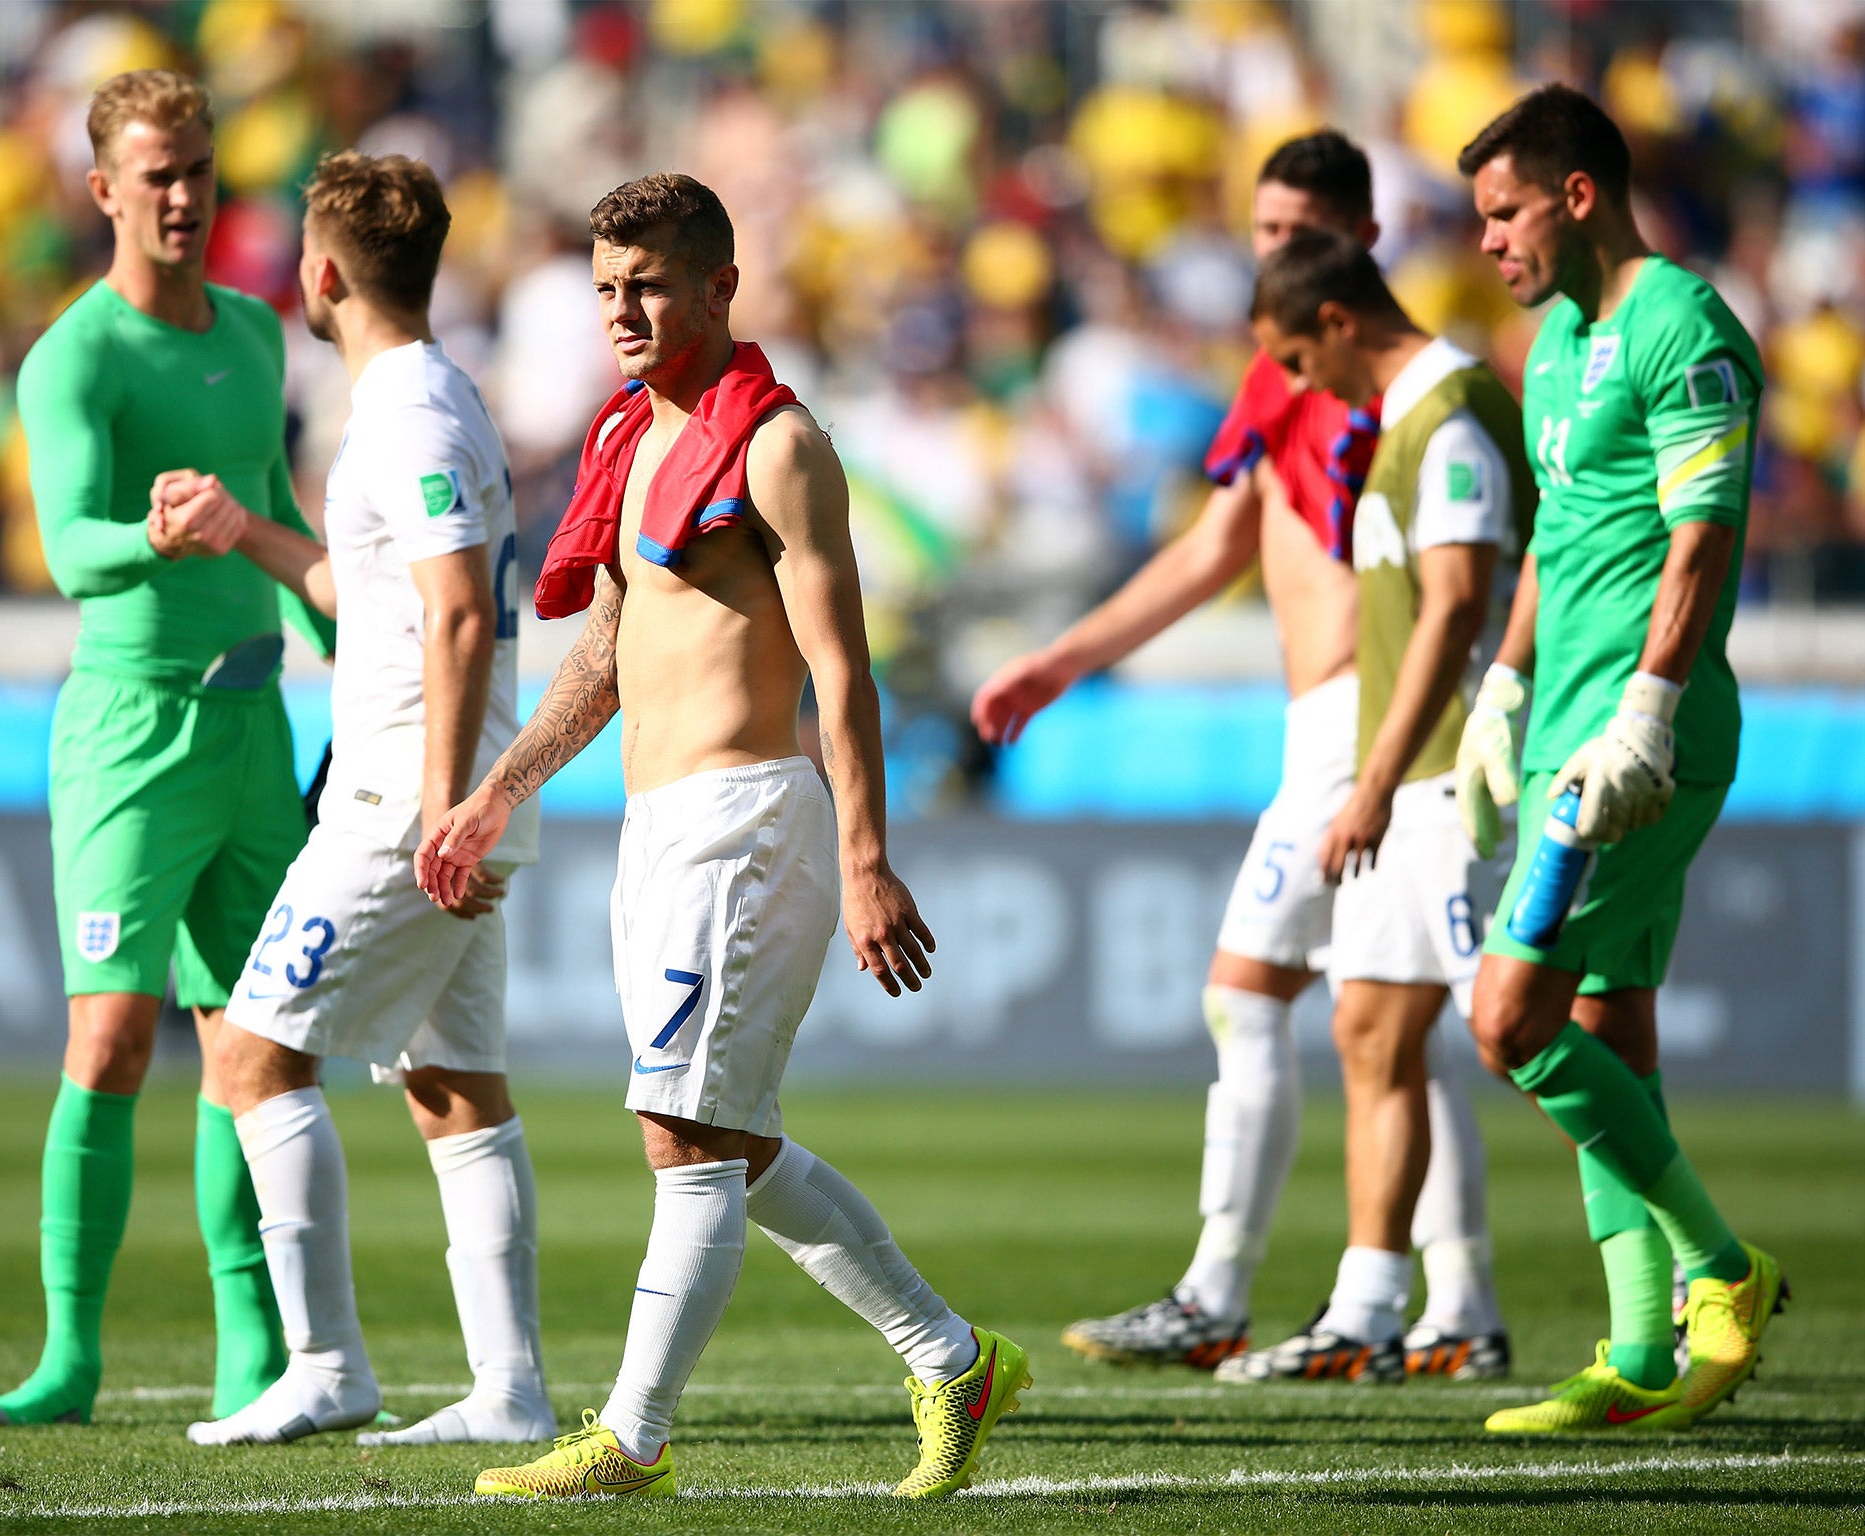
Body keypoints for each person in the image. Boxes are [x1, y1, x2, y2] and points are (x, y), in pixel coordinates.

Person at [416, 173, 1026, 1501]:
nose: (622, 312)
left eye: (647, 285)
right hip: (657, 829)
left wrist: (867, 858)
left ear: (718, 288)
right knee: (726, 1141)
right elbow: (605, 660)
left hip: (753, 819)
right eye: (604, 289)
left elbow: (844, 671)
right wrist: (494, 791)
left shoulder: (780, 447)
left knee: (684, 1135)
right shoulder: (630, 440)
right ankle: (954, 1359)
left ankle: (632, 1440)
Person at [973, 131, 1508, 1378]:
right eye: (1259, 230)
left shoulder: (1394, 385)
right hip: (1322, 728)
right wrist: (1066, 658)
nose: (1267, 254)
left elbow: (1453, 579)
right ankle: (1457, 1302)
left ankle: (1225, 1291)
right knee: (1391, 1026)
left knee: (1280, 996)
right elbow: (1213, 551)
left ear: (1357, 246)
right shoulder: (1285, 376)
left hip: (1378, 725)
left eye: (1292, 233)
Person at [153, 152, 554, 1449]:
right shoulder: (434, 398)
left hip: (402, 794)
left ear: (322, 275)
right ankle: (509, 1390)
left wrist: (446, 809)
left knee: (252, 1053)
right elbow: (373, 592)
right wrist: (246, 530)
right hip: (439, 783)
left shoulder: (411, 417)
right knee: (454, 1085)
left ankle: (328, 1363)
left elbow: (451, 613)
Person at [0, 69, 335, 1430]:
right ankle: (70, 1355)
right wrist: (155, 538)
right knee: (114, 1038)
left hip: (255, 722)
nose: (183, 197)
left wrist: (337, 624)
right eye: (155, 175)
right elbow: (68, 551)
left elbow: (278, 502)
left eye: (199, 170)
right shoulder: (78, 355)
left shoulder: (256, 327)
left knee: (258, 1044)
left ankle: (253, 1346)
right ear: (102, 188)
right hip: (131, 728)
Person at [1456, 84, 1784, 1434]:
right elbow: (1556, 538)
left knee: (1506, 1022)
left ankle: (1722, 1267)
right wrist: (1508, 681)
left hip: (1635, 751)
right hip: (1560, 736)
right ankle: (1643, 1351)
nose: (1487, 242)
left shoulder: (1682, 323)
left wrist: (1645, 705)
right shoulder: (1554, 345)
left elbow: (1700, 533)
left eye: (1503, 211)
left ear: (1577, 195)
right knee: (1604, 1022)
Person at [1215, 231, 1531, 1383]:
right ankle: (1373, 1311)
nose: (1297, 386)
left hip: (1452, 779)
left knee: (1523, 1039)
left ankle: (1685, 1261)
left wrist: (1372, 779)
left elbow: (1451, 613)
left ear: (1340, 321)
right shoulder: (1403, 422)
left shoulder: (1447, 416)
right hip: (1407, 779)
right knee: (1367, 1030)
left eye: (1297, 357)